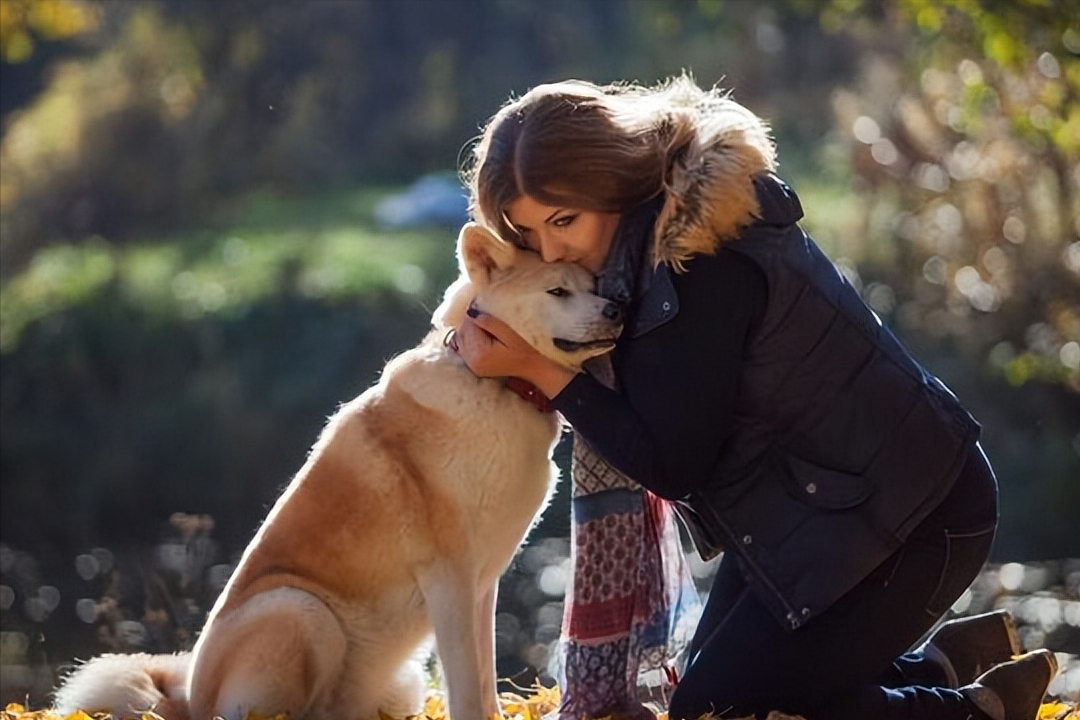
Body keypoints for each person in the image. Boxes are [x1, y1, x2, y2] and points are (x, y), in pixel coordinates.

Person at [449, 75, 1058, 720]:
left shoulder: (696, 261)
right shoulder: (636, 258)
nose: (550, 250)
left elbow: (674, 465)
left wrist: (542, 372)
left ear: (614, 178)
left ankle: (976, 711)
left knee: (718, 713)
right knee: (715, 697)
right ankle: (941, 665)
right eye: (529, 232)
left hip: (915, 514)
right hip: (807, 511)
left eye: (563, 221)